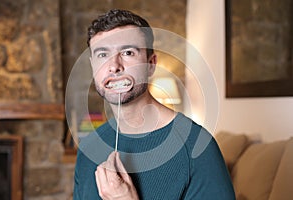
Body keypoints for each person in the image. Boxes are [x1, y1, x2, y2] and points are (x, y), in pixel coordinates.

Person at [73, 9, 235, 200]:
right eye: (102, 54)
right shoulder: (89, 147)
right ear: (93, 66)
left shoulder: (197, 148)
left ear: (151, 64)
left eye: (127, 52)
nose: (114, 65)